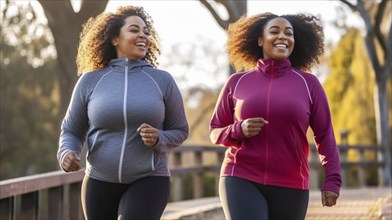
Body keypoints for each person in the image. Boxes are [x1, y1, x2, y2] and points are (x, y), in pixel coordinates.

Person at [57, 5, 189, 220]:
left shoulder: (162, 81)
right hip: (100, 179)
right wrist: (66, 153)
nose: (143, 36)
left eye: (146, 32)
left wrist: (159, 137)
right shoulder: (91, 80)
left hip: (150, 178)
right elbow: (71, 129)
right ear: (115, 39)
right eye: (134, 30)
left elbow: (181, 130)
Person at [209, 12, 342, 220]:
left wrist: (332, 180)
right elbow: (215, 131)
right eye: (274, 31)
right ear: (260, 40)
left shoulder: (309, 84)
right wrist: (238, 129)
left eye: (289, 33)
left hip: (291, 183)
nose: (283, 36)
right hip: (241, 176)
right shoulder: (237, 82)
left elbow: (325, 136)